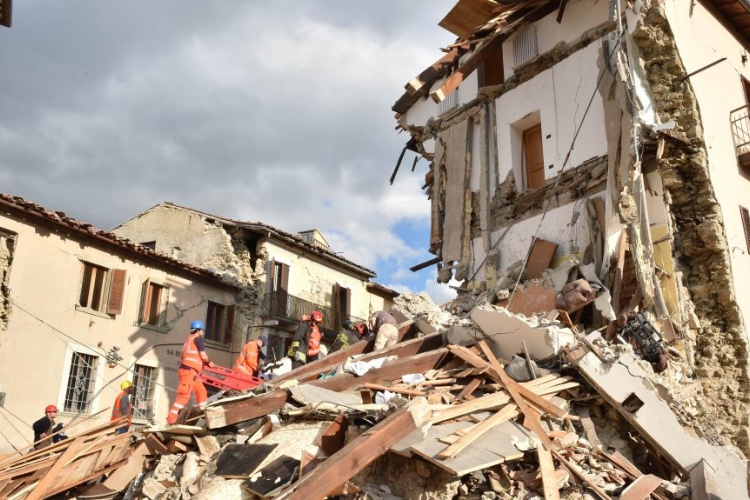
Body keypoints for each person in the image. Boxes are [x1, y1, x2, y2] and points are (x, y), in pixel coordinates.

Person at [166, 320, 215, 425]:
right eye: (202, 330)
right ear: (198, 330)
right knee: (184, 395)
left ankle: (203, 414)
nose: (202, 333)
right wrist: (209, 362)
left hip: (191, 372)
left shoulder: (189, 340)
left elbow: (192, 357)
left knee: (201, 391)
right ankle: (171, 419)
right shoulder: (197, 340)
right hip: (189, 372)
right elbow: (203, 356)